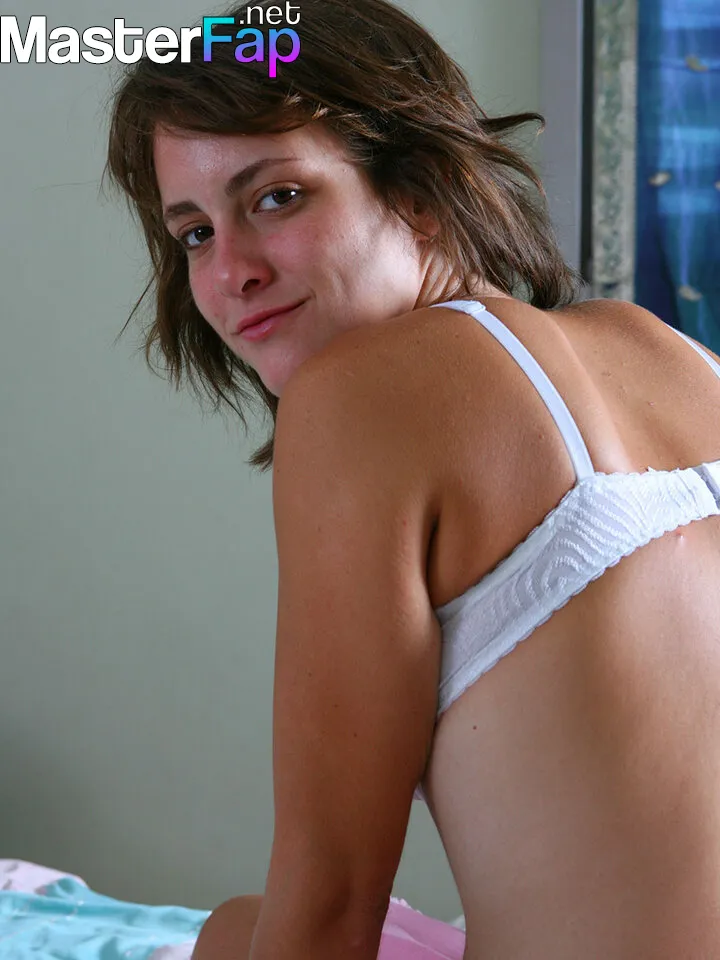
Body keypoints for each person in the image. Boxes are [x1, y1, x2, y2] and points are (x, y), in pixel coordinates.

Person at [105, 0, 720, 956]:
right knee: (237, 928)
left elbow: (330, 907)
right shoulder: (674, 354)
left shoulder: (361, 398)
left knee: (237, 939)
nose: (231, 272)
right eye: (194, 234)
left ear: (422, 191)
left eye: (277, 197)